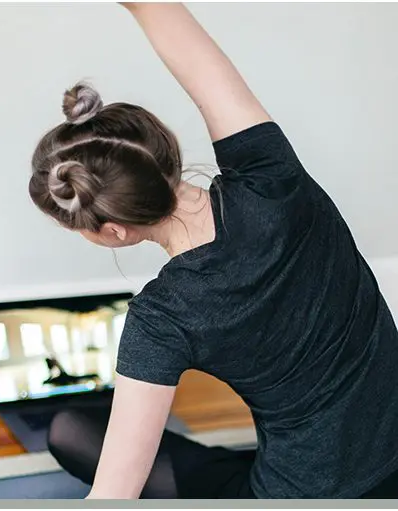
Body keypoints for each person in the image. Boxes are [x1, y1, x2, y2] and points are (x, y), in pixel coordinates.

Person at [28, 2, 398, 499]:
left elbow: (114, 496)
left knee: (69, 431)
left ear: (113, 232)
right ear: (163, 147)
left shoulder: (161, 319)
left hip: (306, 495)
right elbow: (183, 42)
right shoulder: (272, 175)